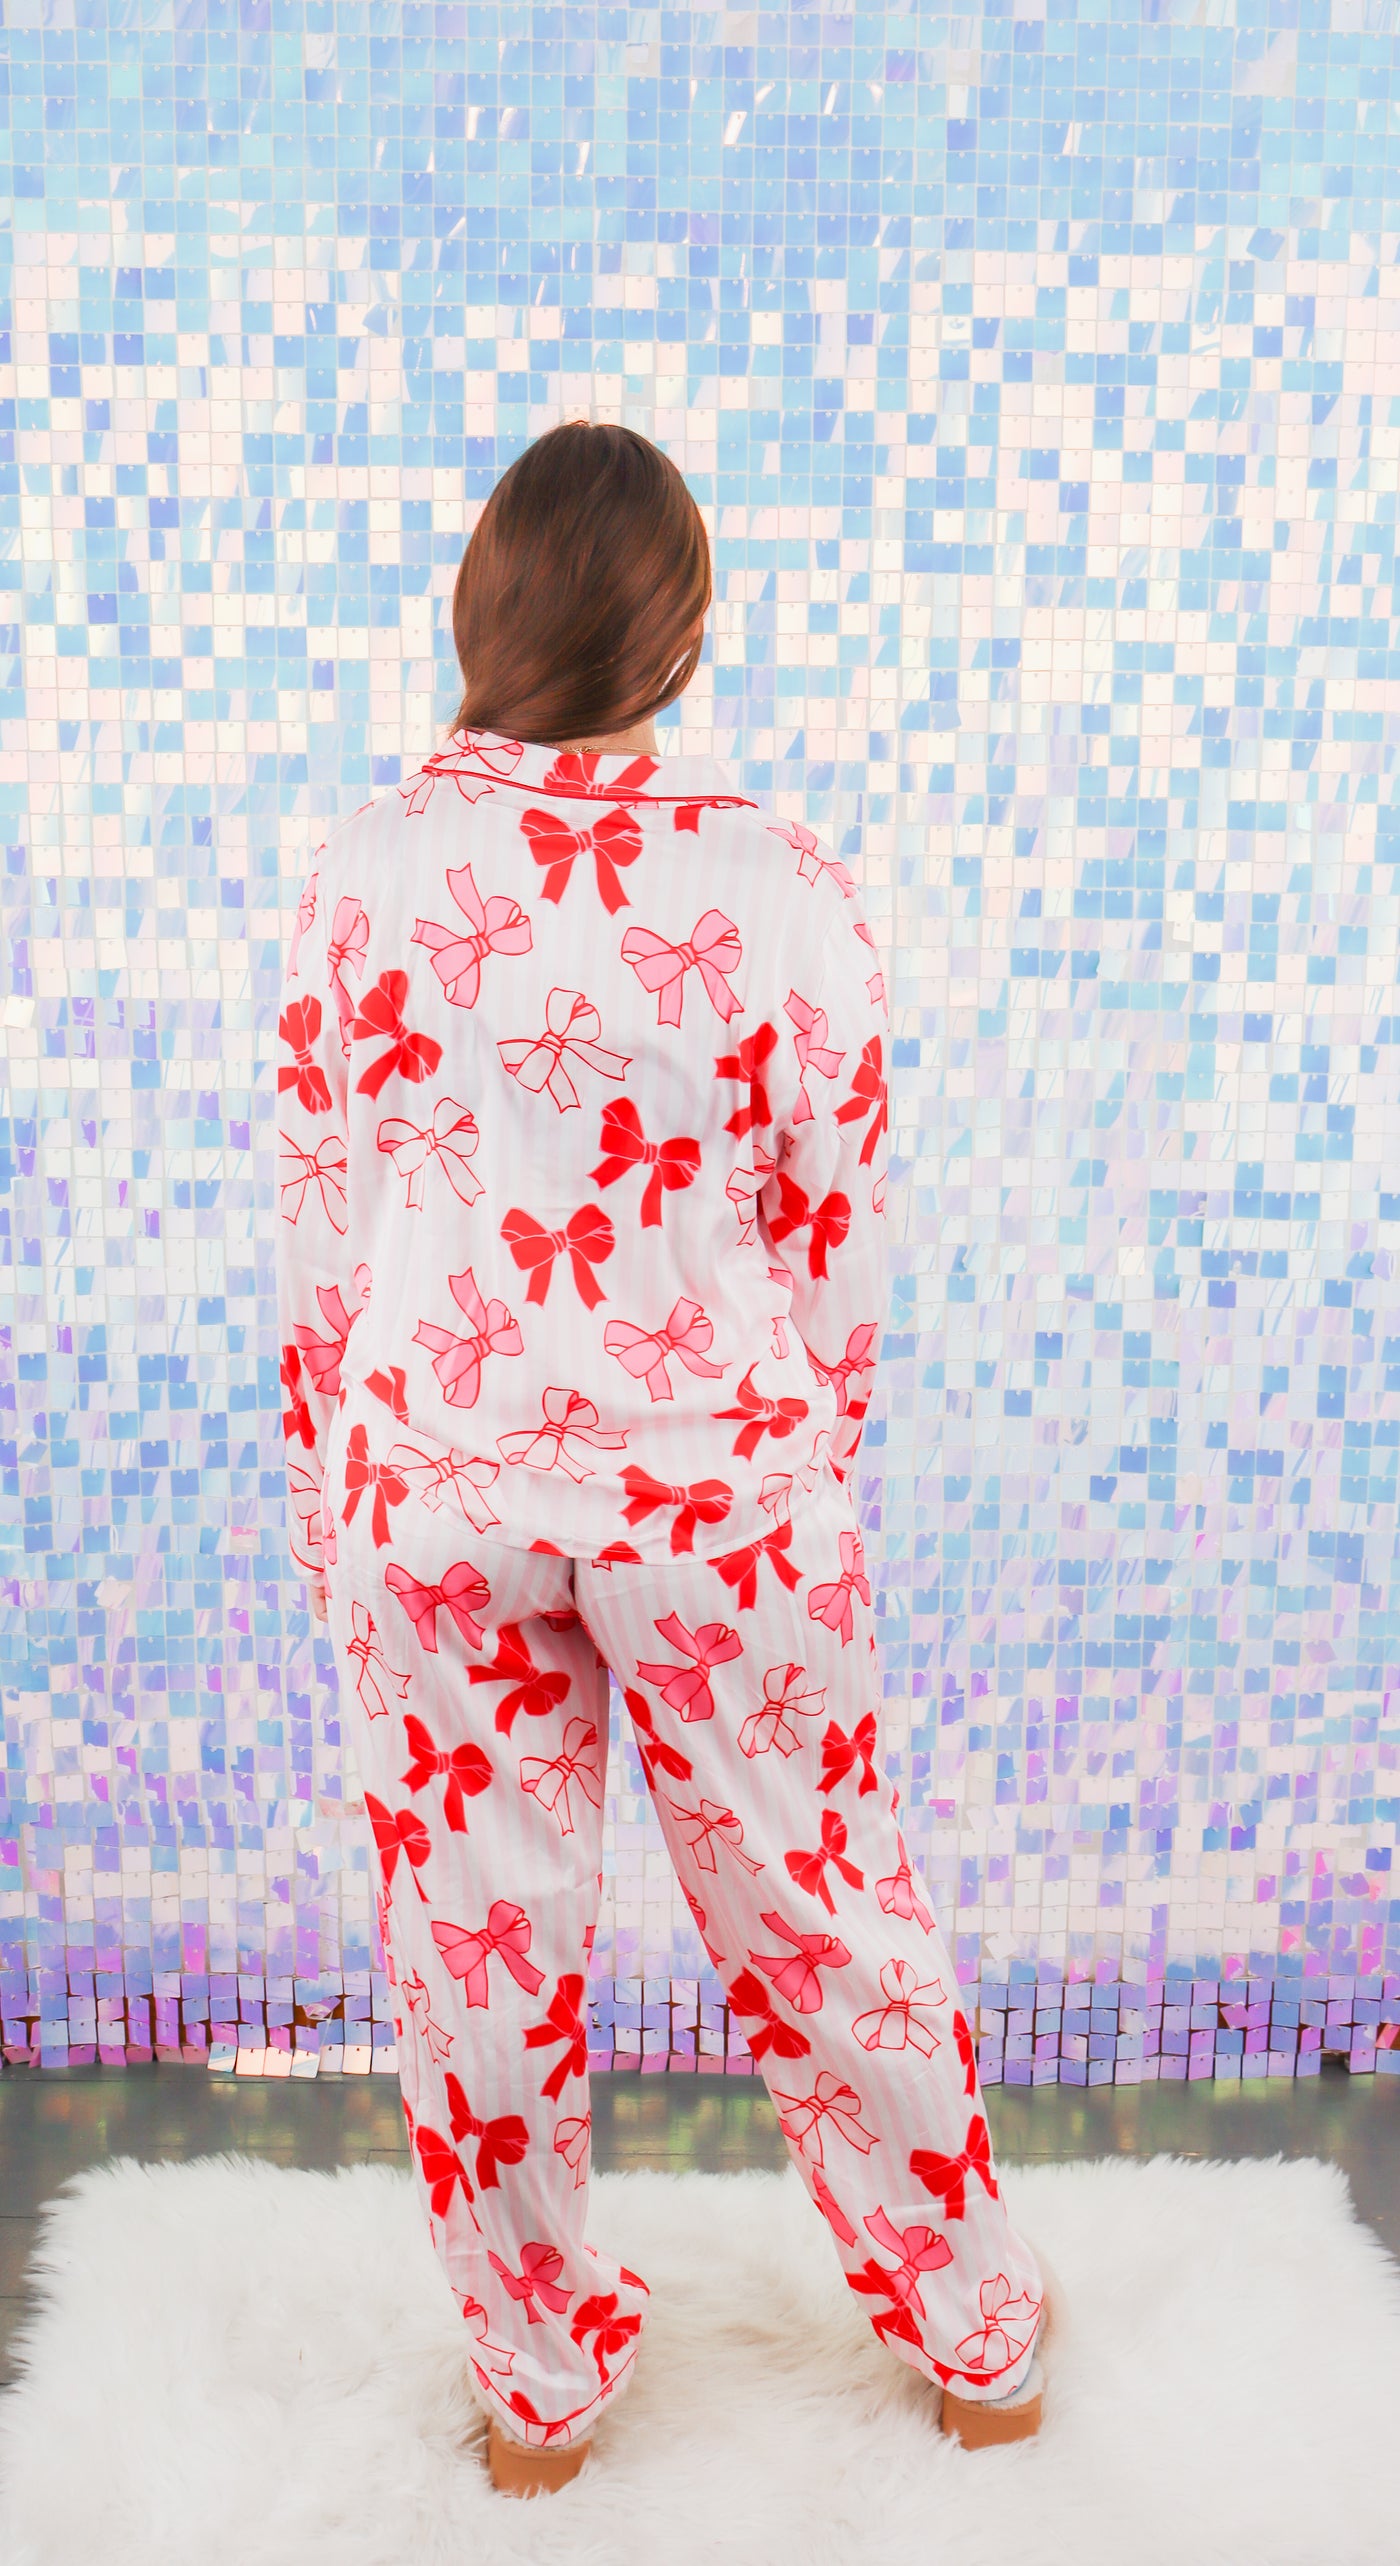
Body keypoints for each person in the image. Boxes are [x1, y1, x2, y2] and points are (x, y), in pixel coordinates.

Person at [276, 423, 1047, 2498]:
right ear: (682, 634)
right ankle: (976, 2337)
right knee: (822, 1908)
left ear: (481, 609)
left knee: (477, 1949)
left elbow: (322, 1210)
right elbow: (834, 1220)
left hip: (433, 1480)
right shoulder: (777, 883)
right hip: (719, 1487)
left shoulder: (361, 867)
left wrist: (334, 1489)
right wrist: (809, 1452)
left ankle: (535, 2393)